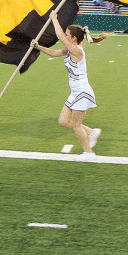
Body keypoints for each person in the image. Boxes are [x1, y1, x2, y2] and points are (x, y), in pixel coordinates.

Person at [30, 10, 107, 159]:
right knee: (63, 121)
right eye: (65, 34)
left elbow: (59, 37)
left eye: (67, 34)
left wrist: (54, 18)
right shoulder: (69, 50)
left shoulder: (77, 51)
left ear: (73, 38)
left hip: (82, 92)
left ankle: (89, 153)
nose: (65, 36)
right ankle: (92, 132)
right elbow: (54, 52)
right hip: (75, 92)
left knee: (76, 125)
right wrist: (37, 46)